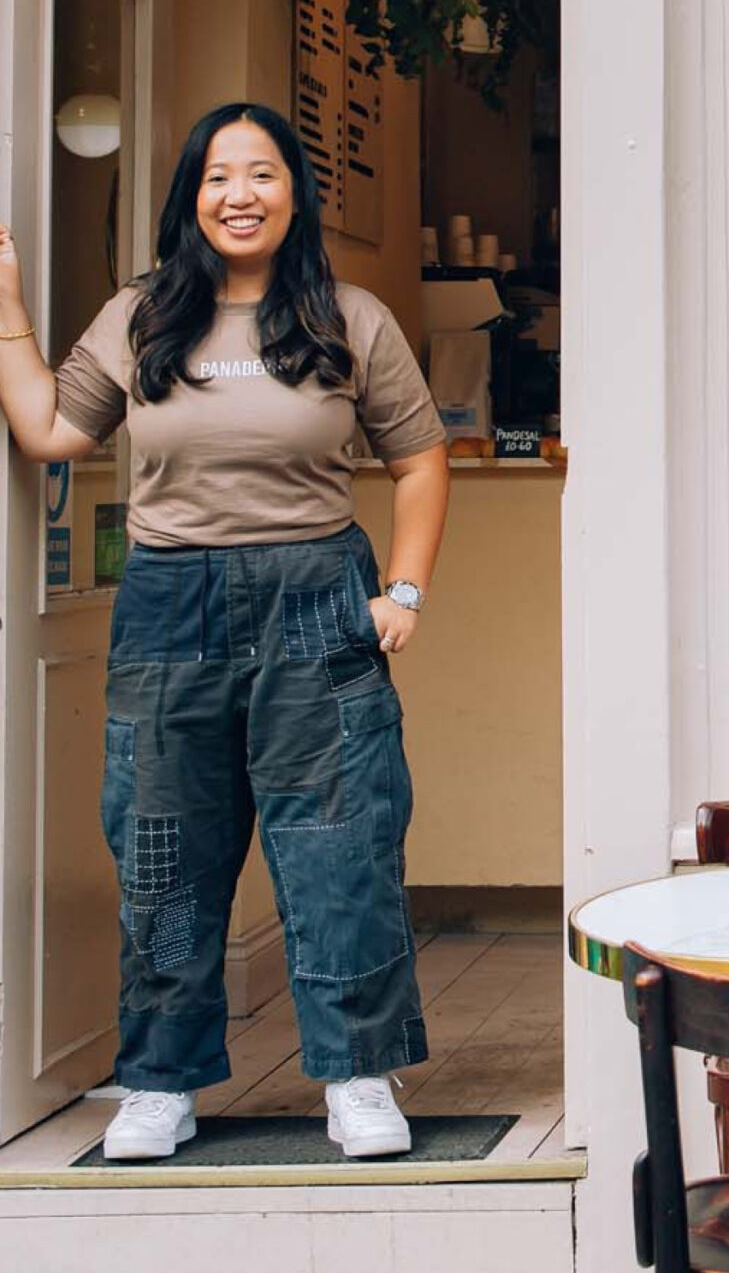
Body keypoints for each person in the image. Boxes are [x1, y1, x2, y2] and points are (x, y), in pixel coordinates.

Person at [0, 103, 449, 1164]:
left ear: (295, 191)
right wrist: (8, 308)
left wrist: (405, 589)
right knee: (163, 848)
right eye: (215, 175)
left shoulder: (351, 317)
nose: (237, 192)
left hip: (318, 591)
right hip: (169, 600)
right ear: (191, 196)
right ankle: (159, 1079)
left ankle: (357, 1072)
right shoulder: (139, 314)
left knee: (343, 843)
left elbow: (419, 457)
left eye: (259, 171)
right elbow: (51, 430)